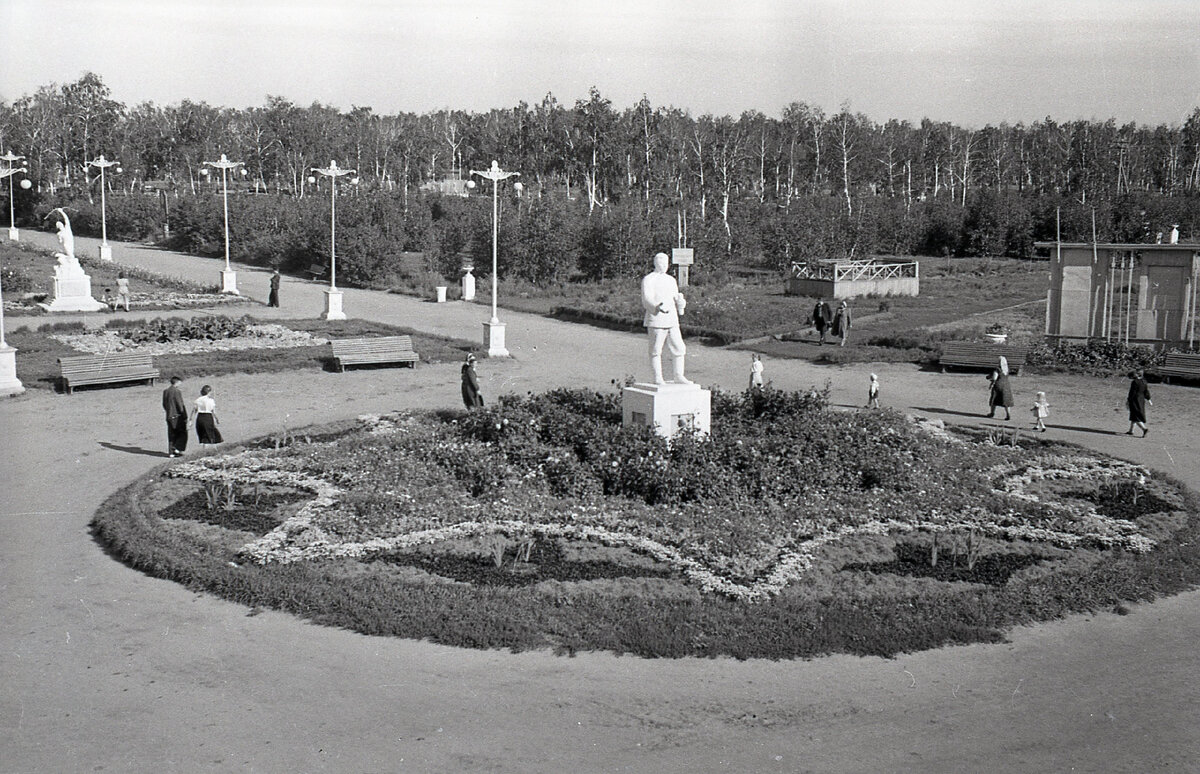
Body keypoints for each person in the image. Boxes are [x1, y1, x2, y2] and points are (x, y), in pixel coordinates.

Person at [641, 251, 690, 384]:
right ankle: (658, 377)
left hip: (672, 320)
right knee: (656, 350)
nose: (663, 265)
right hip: (656, 319)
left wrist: (681, 303)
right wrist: (656, 307)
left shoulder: (671, 280)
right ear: (655, 263)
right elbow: (646, 299)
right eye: (660, 262)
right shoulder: (649, 279)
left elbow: (676, 298)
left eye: (665, 262)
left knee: (679, 348)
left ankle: (678, 375)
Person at [162, 376, 188, 457]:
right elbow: (180, 405)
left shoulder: (165, 391)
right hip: (177, 416)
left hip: (169, 415)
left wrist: (168, 411)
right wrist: (185, 416)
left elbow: (164, 404)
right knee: (182, 433)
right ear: (177, 382)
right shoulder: (177, 391)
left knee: (171, 434)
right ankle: (177, 448)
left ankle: (171, 452)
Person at [1126, 370, 1151, 437]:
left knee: (1135, 416)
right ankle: (1131, 430)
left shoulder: (1134, 382)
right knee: (1135, 415)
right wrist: (1149, 399)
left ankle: (1144, 429)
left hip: (1135, 400)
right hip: (1141, 400)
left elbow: (1132, 393)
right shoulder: (1144, 381)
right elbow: (1146, 391)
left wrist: (1128, 400)